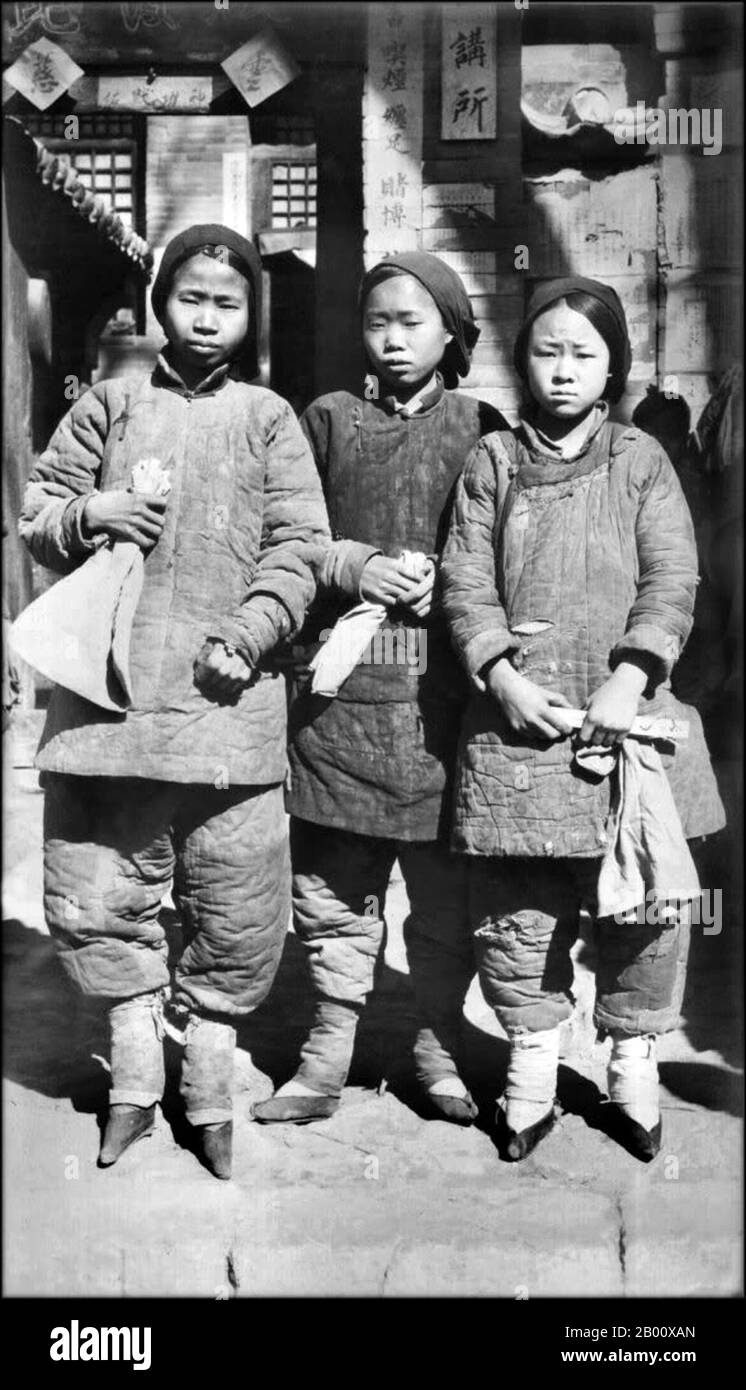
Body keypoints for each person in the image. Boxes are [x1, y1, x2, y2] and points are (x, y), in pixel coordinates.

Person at [18, 224, 330, 1180]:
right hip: (106, 708)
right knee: (96, 889)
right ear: (161, 306)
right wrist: (89, 514)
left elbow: (301, 545)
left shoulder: (268, 417)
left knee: (235, 900)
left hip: (227, 707)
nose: (206, 317)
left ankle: (209, 1088)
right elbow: (35, 513)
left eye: (226, 303)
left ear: (249, 317)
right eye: (190, 298)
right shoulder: (109, 405)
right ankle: (132, 1086)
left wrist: (252, 630)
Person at [440, 275, 726, 1162]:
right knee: (518, 908)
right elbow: (463, 580)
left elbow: (672, 577)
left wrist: (632, 678)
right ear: (522, 361)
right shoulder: (492, 461)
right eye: (546, 351)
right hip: (519, 724)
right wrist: (499, 676)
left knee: (646, 905)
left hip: (626, 719)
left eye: (584, 354)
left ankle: (632, 1064)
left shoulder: (642, 459)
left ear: (613, 368)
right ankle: (532, 1063)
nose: (563, 371)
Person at [252, 252, 509, 1126]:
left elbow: (512, 550)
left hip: (444, 707)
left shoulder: (484, 427)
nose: (393, 340)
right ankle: (325, 1059)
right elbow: (287, 541)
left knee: (443, 901)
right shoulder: (324, 421)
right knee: (331, 895)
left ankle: (436, 1049)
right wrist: (352, 567)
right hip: (339, 704)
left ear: (451, 332)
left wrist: (461, 584)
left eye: (412, 322)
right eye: (377, 323)